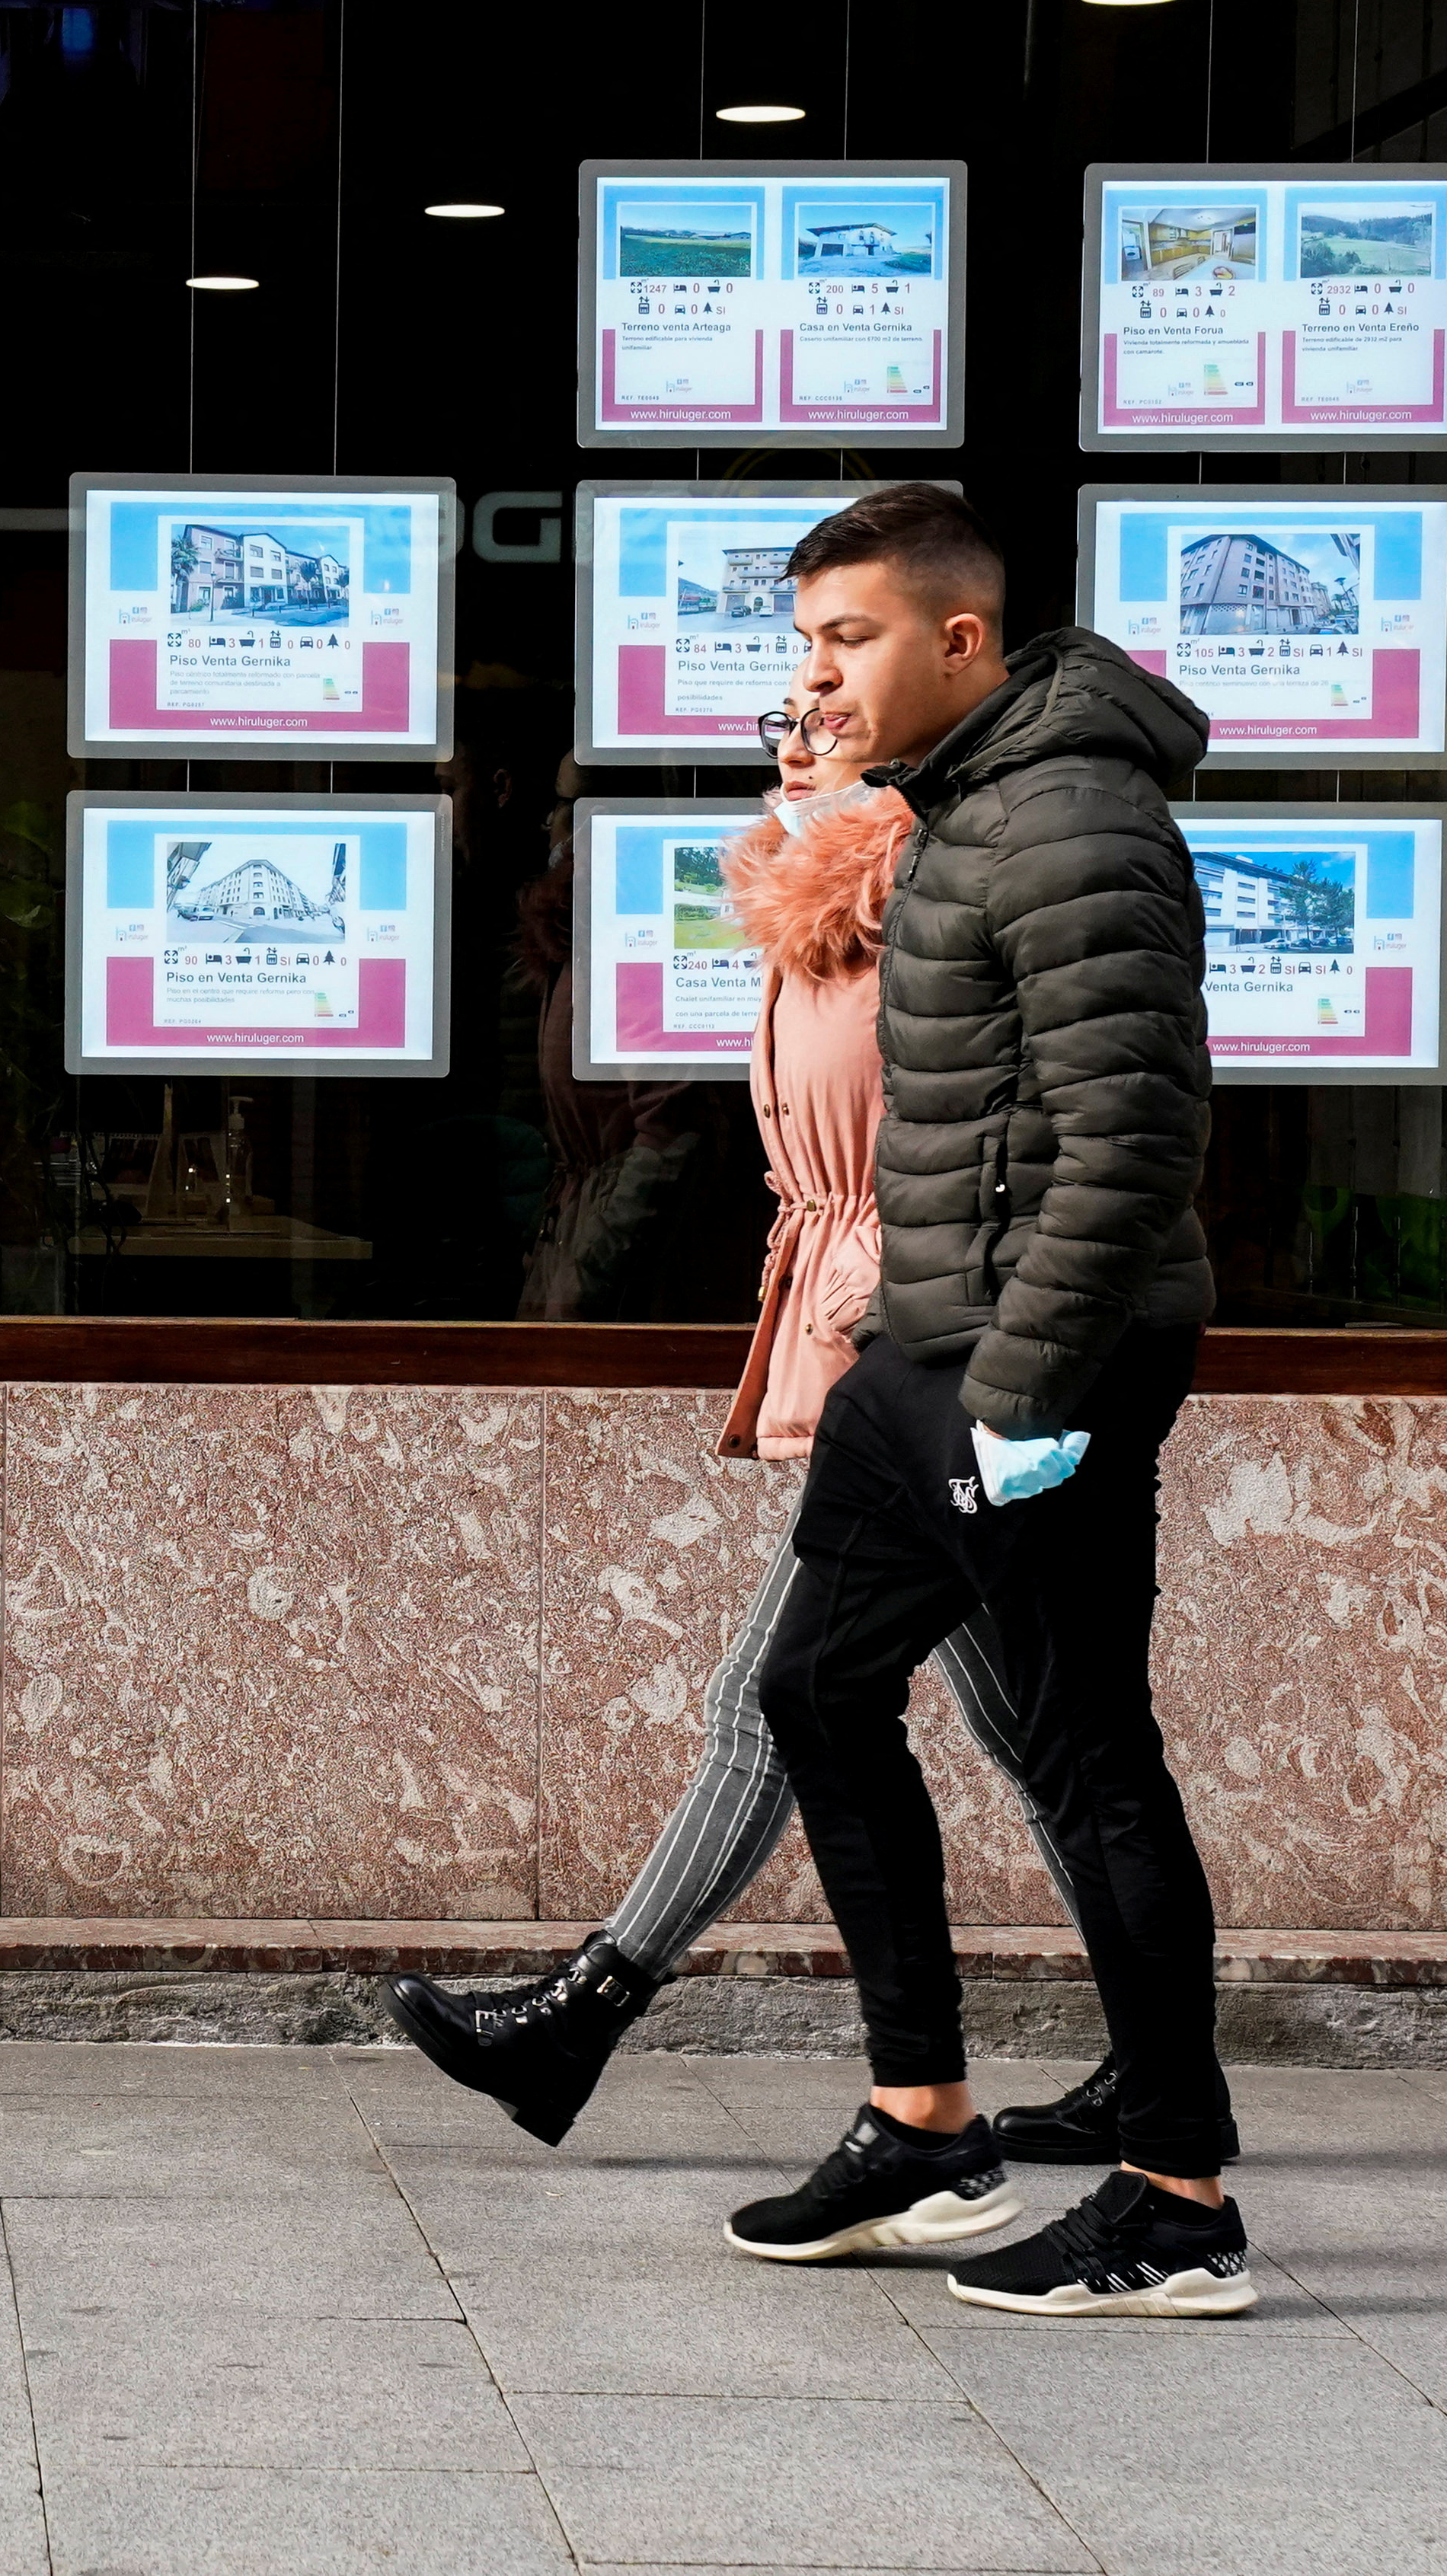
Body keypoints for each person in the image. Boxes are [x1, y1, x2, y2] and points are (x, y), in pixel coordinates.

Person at [385, 660, 1224, 2184]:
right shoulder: (809, 912)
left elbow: (989, 1148)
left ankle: (596, 2016)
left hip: (912, 1346)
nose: (791, 741)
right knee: (1010, 1721)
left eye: (823, 719)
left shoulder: (918, 895)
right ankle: (1137, 2070)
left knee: (811, 1697)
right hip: (869, 1337)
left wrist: (915, 1345)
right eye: (777, 723)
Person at [708, 483, 1260, 2319]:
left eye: (848, 637)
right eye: (805, 641)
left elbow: (1128, 1139)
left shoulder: (1075, 819)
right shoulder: (962, 809)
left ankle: (1173, 2201)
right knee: (810, 1686)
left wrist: (1024, 1395)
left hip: (1039, 1361)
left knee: (1092, 1752)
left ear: (960, 639)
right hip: (926, 1346)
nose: (819, 673)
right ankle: (923, 2120)